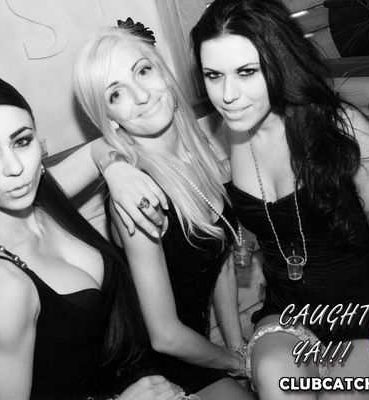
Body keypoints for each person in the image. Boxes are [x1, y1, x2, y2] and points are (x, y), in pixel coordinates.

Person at [190, 0, 369, 398]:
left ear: (278, 62)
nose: (228, 95)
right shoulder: (235, 130)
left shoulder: (344, 128)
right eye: (213, 75)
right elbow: (265, 224)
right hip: (288, 312)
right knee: (275, 381)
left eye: (246, 72)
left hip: (367, 312)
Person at [0, 73, 184, 400]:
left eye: (21, 141)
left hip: (151, 379)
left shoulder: (37, 195)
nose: (15, 167)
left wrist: (115, 169)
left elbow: (99, 148)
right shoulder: (2, 285)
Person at [73, 25, 253, 400]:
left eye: (143, 71)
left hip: (196, 349)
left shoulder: (198, 152)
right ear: (109, 118)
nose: (141, 96)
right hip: (150, 369)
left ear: (163, 71)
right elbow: (164, 336)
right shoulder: (135, 194)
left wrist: (238, 350)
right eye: (116, 93)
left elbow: (219, 259)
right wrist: (235, 364)